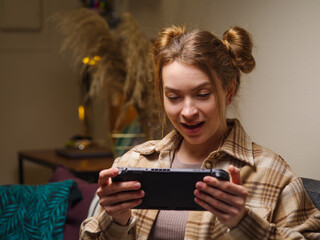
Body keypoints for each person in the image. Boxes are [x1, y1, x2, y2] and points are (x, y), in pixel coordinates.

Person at [80, 25, 320, 239]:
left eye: (202, 94)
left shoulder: (272, 173)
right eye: (173, 97)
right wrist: (116, 220)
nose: (187, 112)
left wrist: (243, 223)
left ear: (229, 90)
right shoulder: (134, 161)